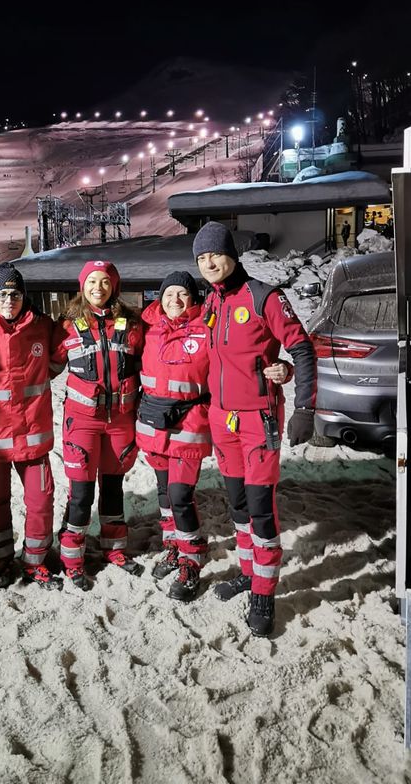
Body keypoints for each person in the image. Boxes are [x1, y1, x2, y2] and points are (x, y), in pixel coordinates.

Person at [193, 222, 315, 637]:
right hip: (222, 421)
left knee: (262, 509)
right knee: (239, 506)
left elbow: (301, 347)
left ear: (231, 254)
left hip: (259, 420)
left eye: (214, 254)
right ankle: (248, 572)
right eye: (201, 258)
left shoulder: (264, 296)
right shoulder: (211, 301)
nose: (209, 263)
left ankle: (264, 593)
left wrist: (305, 407)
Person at [0, 262, 63, 591]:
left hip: (33, 439)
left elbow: (59, 357)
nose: (9, 300)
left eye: (16, 294)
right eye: (3, 294)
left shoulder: (42, 327)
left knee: (41, 500)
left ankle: (35, 560)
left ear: (24, 297)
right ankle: (3, 559)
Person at [56, 260, 144, 590]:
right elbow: (42, 364)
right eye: (92, 281)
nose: (98, 288)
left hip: (121, 421)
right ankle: (71, 557)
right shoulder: (65, 325)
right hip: (82, 423)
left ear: (114, 287)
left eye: (105, 282)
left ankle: (114, 549)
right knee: (81, 494)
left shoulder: (133, 325)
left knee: (112, 487)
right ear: (83, 286)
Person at [136, 271, 212, 601]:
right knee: (165, 492)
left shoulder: (206, 329)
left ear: (193, 298)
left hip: (189, 423)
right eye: (169, 295)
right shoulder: (148, 329)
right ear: (160, 298)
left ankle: (192, 559)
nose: (175, 301)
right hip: (154, 421)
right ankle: (172, 546)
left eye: (182, 294)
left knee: (181, 494)